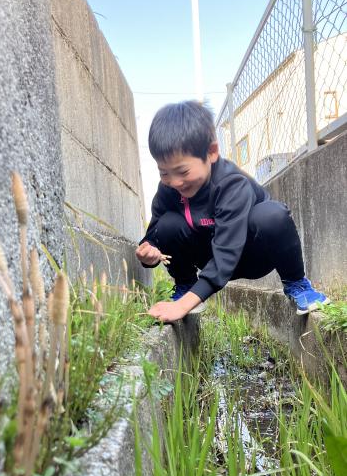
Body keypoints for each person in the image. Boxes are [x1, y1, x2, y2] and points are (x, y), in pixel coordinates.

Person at [137, 101, 330, 323]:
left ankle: (297, 283)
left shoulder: (231, 183)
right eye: (164, 173)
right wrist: (149, 253)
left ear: (211, 152)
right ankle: (185, 285)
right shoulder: (169, 188)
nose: (175, 182)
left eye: (182, 171)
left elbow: (227, 253)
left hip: (250, 255)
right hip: (207, 255)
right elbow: (155, 233)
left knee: (272, 215)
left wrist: (182, 306)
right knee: (168, 223)